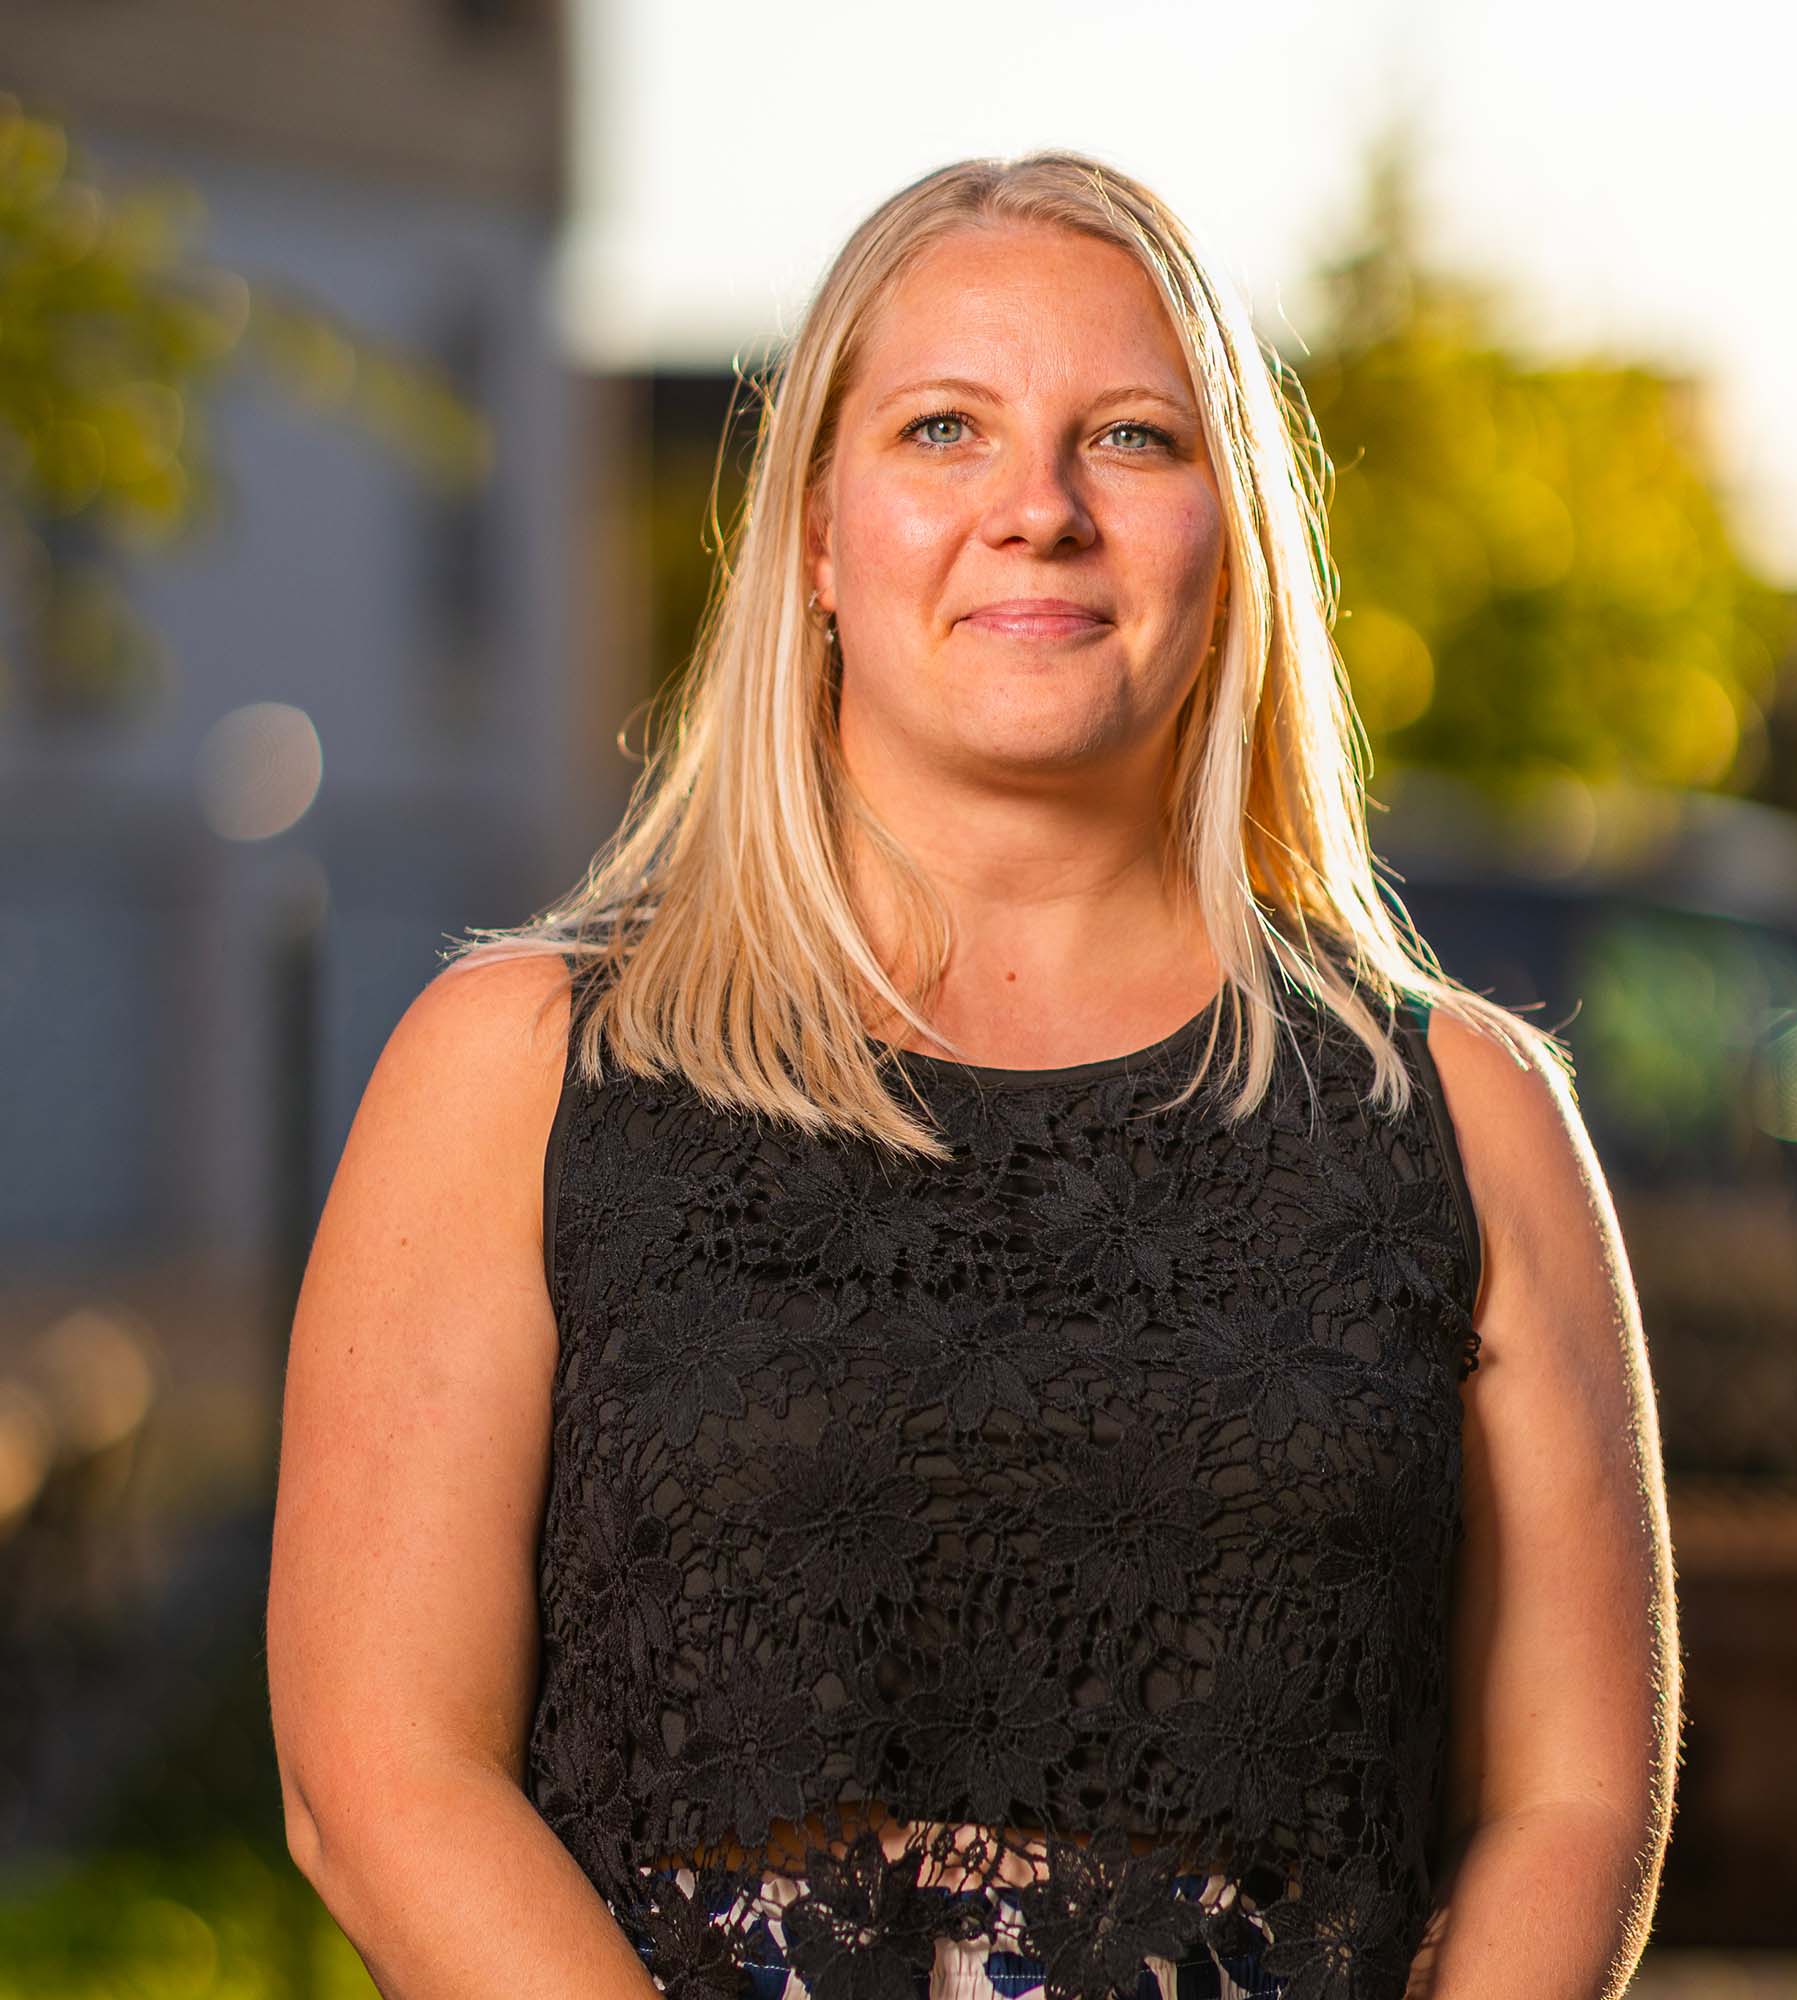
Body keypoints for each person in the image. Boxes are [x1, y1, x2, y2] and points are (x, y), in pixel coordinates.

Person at [266, 150, 1679, 2000]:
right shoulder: (517, 1077)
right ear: (819, 543)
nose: (1039, 509)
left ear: (1234, 534)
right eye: (944, 429)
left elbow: (1574, 1798)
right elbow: (375, 1777)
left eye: (1135, 440)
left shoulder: (1467, 1117)